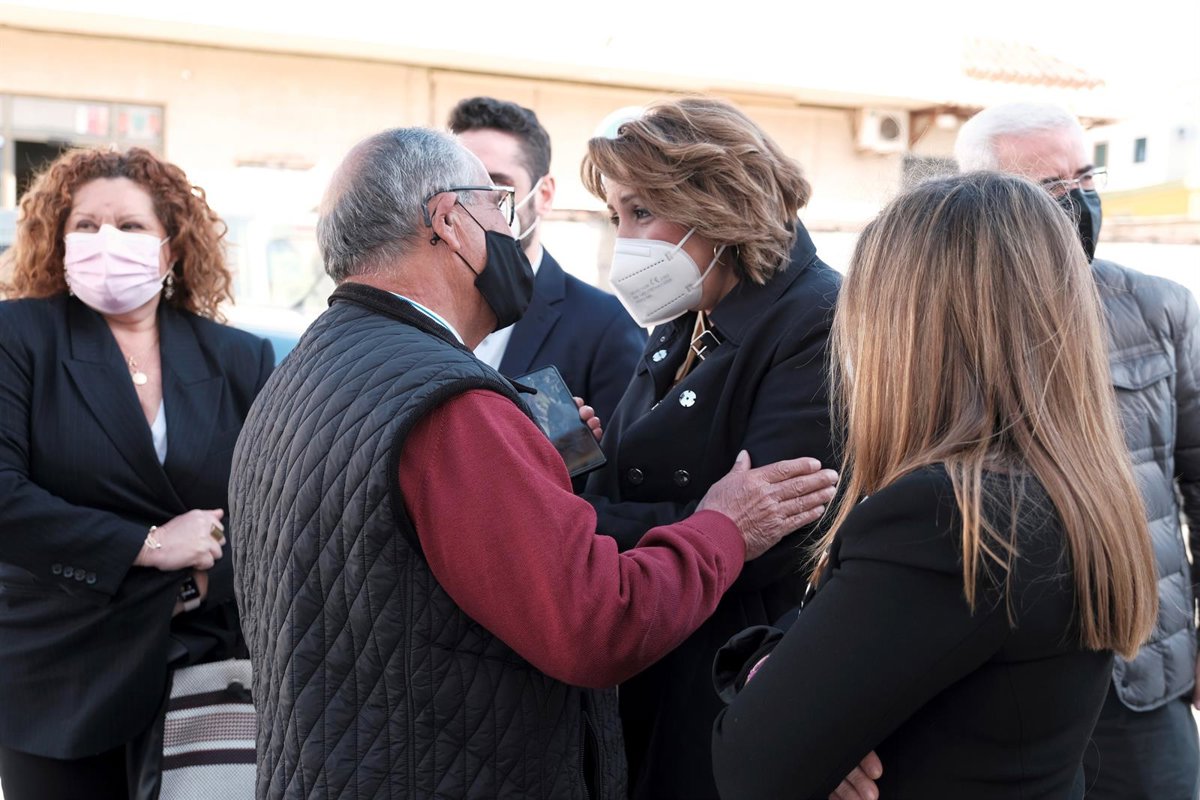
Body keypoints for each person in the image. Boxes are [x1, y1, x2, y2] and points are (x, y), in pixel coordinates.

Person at [228, 127, 838, 800]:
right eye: (497, 207)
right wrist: (724, 527)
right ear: (450, 222)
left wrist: (534, 464)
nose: (511, 232)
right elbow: (595, 623)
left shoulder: (304, 370)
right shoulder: (454, 408)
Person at [710, 170, 1159, 799]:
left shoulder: (944, 516)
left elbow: (752, 765)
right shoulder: (1068, 484)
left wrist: (769, 675)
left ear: (908, 328)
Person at [574, 96, 842, 799]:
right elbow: (648, 483)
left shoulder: (816, 319)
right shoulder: (690, 309)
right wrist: (573, 461)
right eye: (615, 216)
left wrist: (579, 523)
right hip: (655, 658)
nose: (625, 239)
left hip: (727, 682)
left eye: (640, 211)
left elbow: (778, 535)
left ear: (715, 200)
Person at [0, 147, 274, 800]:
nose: (106, 240)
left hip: (200, 671)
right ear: (58, 241)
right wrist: (149, 546)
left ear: (170, 248)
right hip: (57, 676)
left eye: (129, 225)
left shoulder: (238, 357)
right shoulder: (18, 336)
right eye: (85, 225)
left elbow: (275, 511)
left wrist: (191, 586)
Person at [956, 102, 1200, 800]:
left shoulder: (1160, 308)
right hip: (993, 680)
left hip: (1140, 668)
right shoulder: (942, 323)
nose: (1077, 201)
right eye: (1050, 188)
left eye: (1085, 178)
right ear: (983, 198)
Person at [448, 96, 645, 424]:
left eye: (498, 187)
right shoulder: (422, 315)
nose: (476, 207)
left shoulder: (606, 326)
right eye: (462, 189)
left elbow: (622, 452)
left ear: (544, 195)